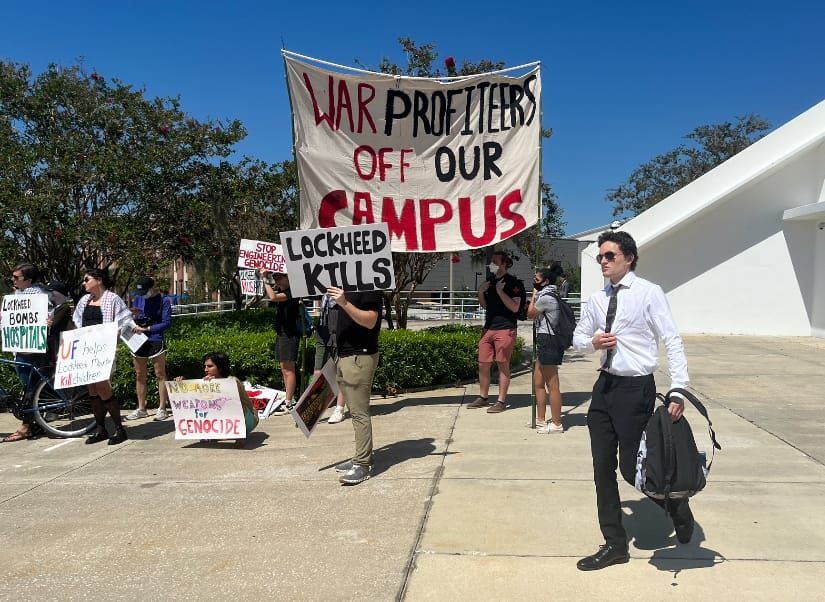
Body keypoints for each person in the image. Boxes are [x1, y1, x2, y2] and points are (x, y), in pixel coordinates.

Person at [573, 231, 693, 571]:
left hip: (636, 390)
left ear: (629, 258)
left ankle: (676, 508)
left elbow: (672, 340)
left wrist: (679, 388)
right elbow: (578, 338)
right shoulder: (598, 300)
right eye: (600, 257)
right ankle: (615, 544)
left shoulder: (648, 293)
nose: (603, 262)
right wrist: (593, 342)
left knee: (632, 468)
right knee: (601, 468)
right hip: (605, 388)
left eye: (609, 256)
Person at [328, 286, 382, 485]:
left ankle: (362, 464)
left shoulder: (370, 286)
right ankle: (360, 456)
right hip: (346, 355)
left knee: (359, 413)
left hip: (360, 355)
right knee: (354, 411)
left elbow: (370, 321)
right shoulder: (346, 285)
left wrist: (344, 303)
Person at [73, 268, 131, 445]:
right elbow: (77, 321)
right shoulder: (84, 300)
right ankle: (101, 428)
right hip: (87, 349)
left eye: (87, 279)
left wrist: (113, 340)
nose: (84, 283)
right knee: (92, 389)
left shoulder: (113, 299)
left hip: (103, 350)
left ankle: (120, 429)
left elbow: (124, 320)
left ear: (98, 280)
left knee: (103, 387)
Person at [467, 250, 523, 413]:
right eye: (491, 261)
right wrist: (480, 292)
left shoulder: (513, 283)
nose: (491, 264)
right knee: (483, 364)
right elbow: (485, 306)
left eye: (495, 261)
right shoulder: (489, 281)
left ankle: (501, 401)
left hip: (506, 329)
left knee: (502, 365)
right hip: (488, 328)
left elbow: (515, 307)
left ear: (504, 264)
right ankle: (483, 397)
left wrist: (500, 291)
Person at [2, 263, 51, 442]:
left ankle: (26, 426)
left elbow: (48, 313)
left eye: (17, 277)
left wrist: (48, 320)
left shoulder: (39, 294)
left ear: (29, 280)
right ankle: (34, 423)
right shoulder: (16, 295)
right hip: (20, 347)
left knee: (30, 388)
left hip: (33, 349)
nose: (13, 280)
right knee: (27, 386)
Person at [174, 352, 258, 440]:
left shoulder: (232, 380)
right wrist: (182, 384)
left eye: (210, 366)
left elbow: (231, 400)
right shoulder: (206, 381)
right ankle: (215, 433)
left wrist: (218, 383)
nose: (206, 369)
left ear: (220, 367)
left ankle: (239, 434)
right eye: (205, 366)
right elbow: (193, 401)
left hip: (248, 418)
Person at [125, 276, 172, 421]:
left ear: (152, 288)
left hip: (155, 338)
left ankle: (162, 407)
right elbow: (133, 316)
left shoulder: (164, 301)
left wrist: (147, 328)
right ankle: (141, 408)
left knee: (160, 373)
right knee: (139, 374)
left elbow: (166, 322)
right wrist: (133, 319)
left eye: (145, 291)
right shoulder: (138, 298)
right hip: (138, 339)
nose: (142, 295)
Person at [527, 265, 565, 434]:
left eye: (536, 280)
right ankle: (541, 419)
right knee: (538, 382)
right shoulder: (549, 293)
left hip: (549, 340)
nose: (534, 283)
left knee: (552, 384)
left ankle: (557, 423)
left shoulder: (546, 297)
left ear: (546, 281)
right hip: (544, 339)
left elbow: (530, 314)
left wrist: (533, 297)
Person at [262, 271, 299, 413]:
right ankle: (289, 398)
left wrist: (265, 278)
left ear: (288, 277)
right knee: (284, 369)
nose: (275, 279)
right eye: (274, 276)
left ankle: (289, 402)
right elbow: (270, 294)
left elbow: (272, 297)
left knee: (289, 369)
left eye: (279, 276)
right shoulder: (282, 290)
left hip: (289, 335)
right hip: (282, 333)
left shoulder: (292, 293)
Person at [314, 293, 347, 424]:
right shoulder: (323, 294)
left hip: (341, 334)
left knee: (341, 373)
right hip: (323, 333)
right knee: (318, 371)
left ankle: (340, 409)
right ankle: (315, 407)